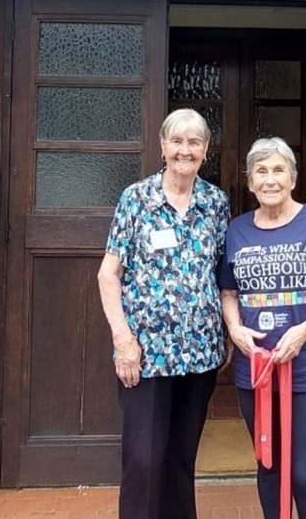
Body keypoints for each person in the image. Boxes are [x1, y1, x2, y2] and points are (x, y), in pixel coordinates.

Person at [219, 137, 306, 519]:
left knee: (303, 472)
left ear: (293, 178)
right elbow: (228, 291)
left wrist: (302, 333)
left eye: (278, 170)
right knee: (267, 464)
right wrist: (234, 329)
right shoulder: (236, 231)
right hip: (256, 371)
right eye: (261, 172)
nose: (270, 180)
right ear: (250, 182)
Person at [97, 108, 230, 519]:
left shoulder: (215, 203)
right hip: (146, 355)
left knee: (179, 459)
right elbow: (108, 274)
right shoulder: (136, 199)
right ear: (162, 146)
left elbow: (222, 276)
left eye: (194, 142)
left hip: (200, 353)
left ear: (205, 150)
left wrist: (227, 333)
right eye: (177, 141)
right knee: (143, 460)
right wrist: (123, 340)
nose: (184, 150)